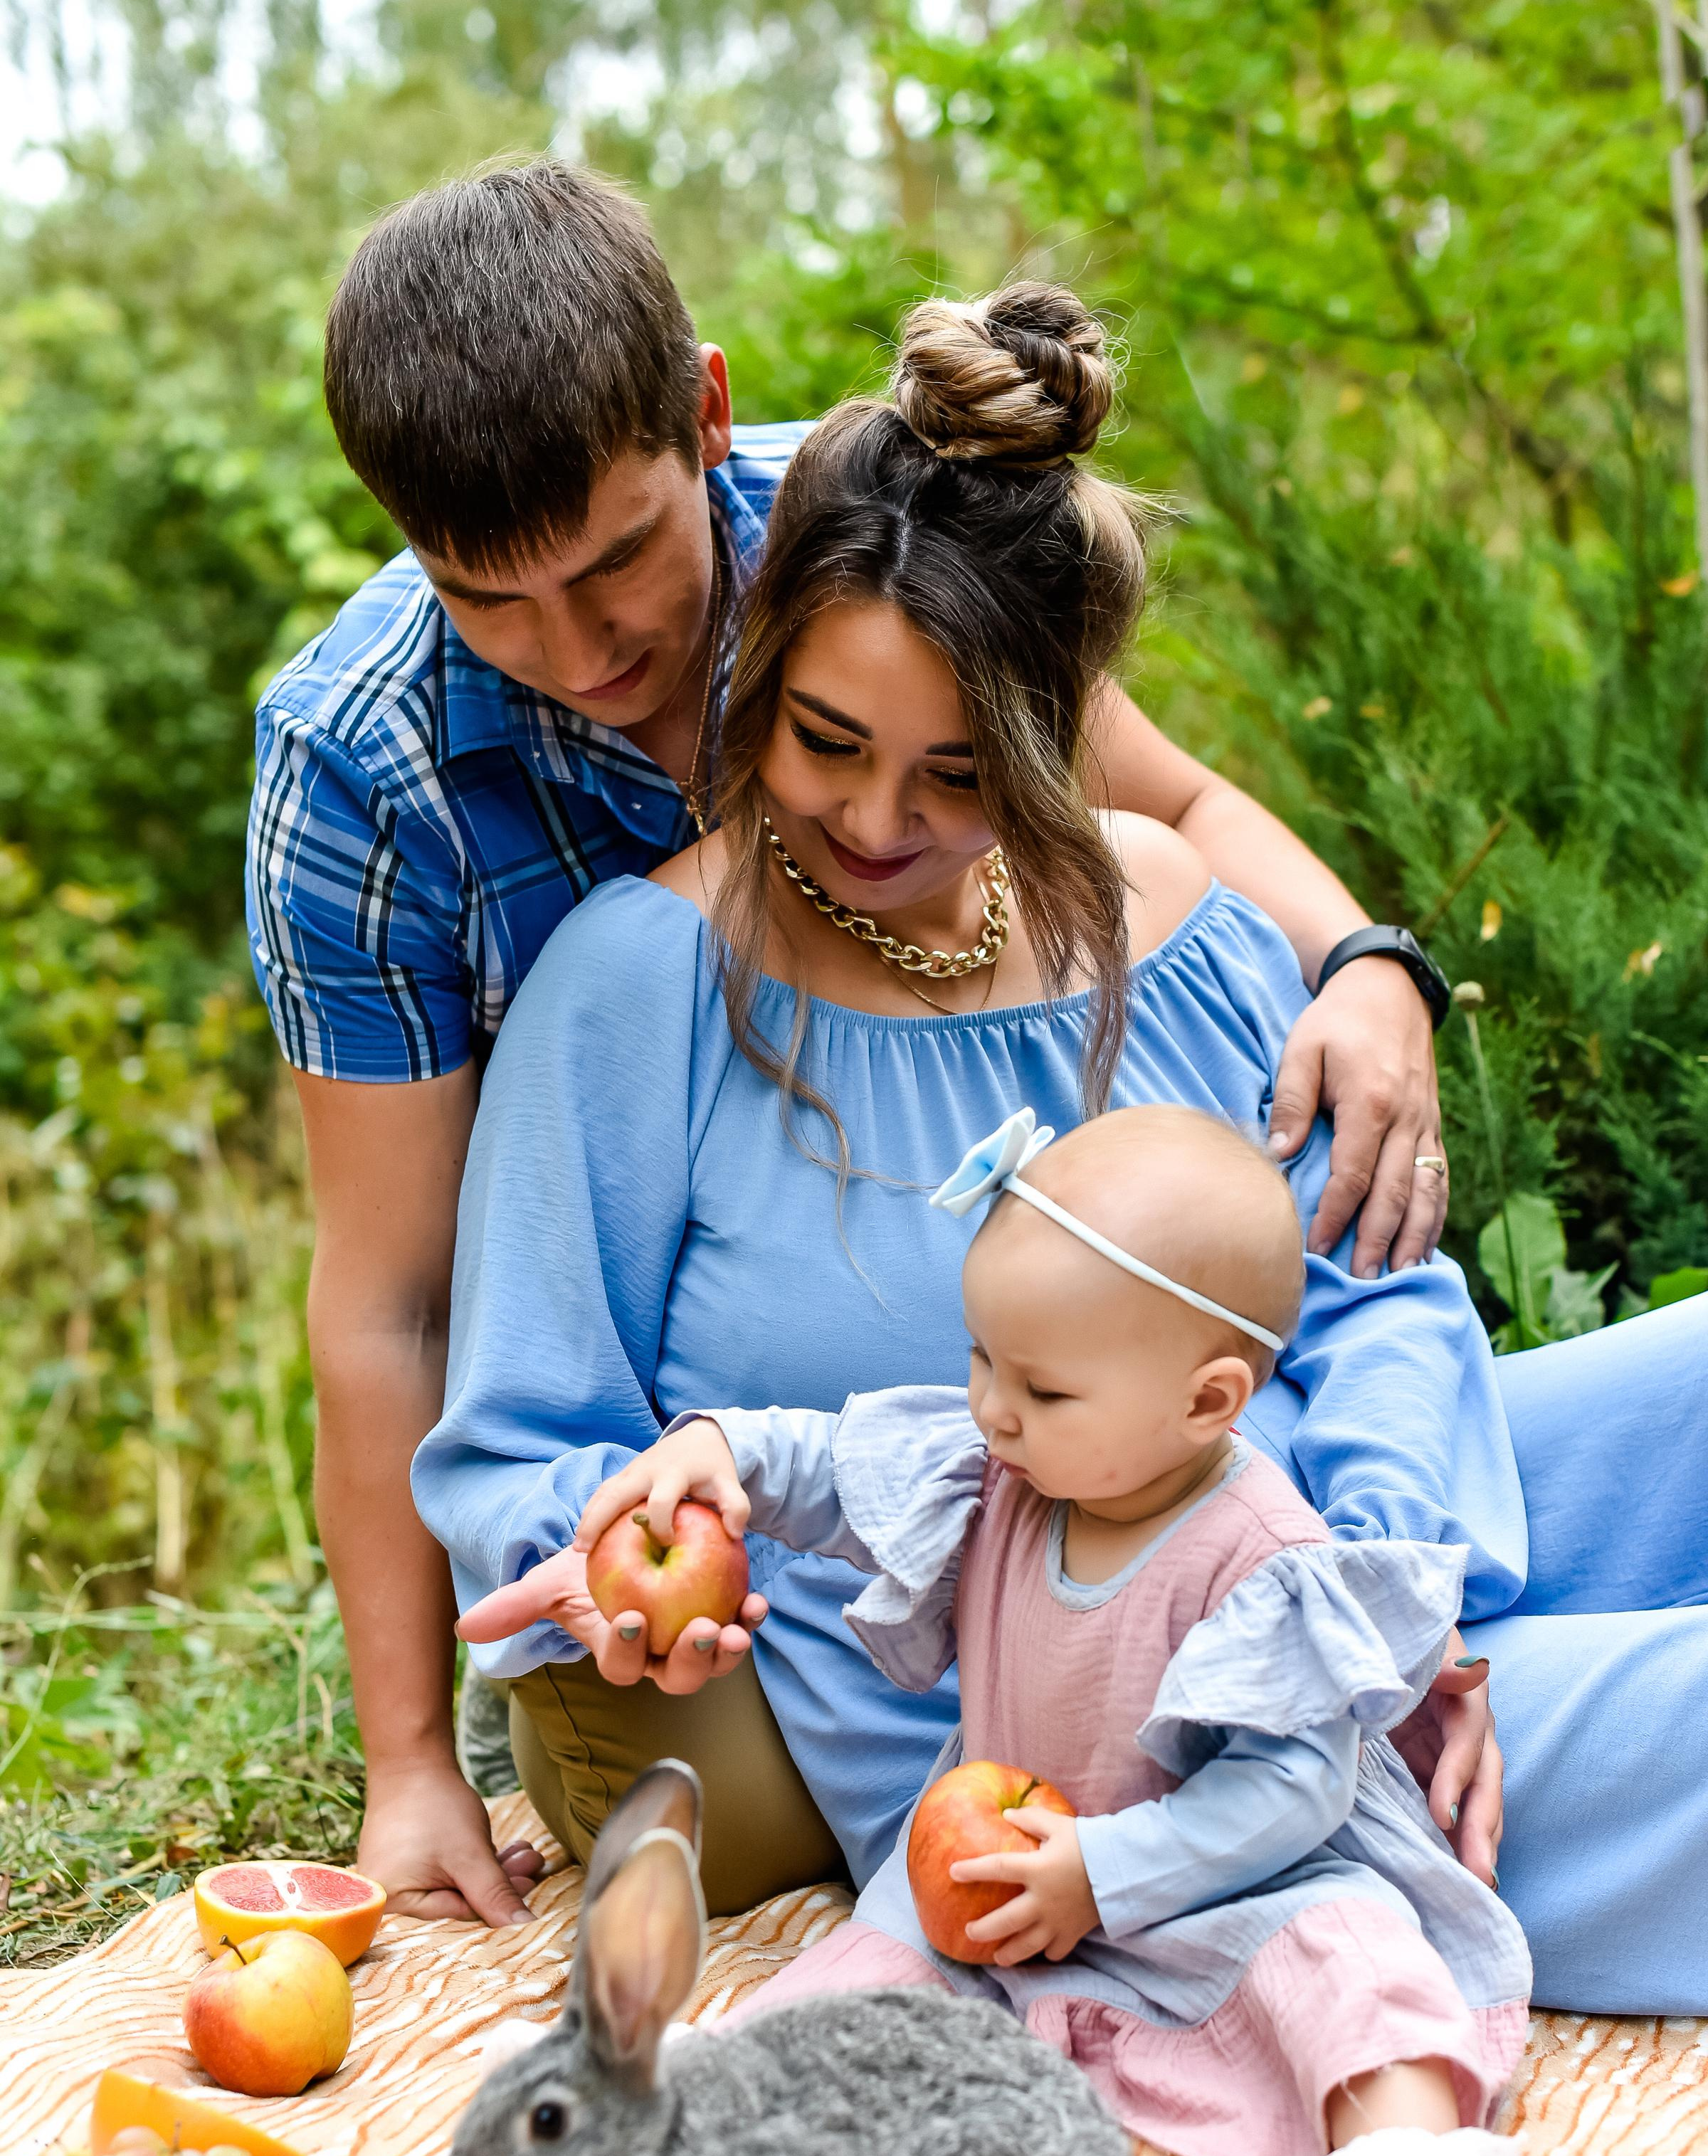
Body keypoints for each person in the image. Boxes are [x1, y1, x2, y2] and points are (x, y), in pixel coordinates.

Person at [423, 278, 1708, 2016]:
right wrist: (612, 1561)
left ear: (1059, 733)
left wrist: (1410, 1603)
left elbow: (1364, 1308)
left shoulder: (1167, 917)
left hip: (1316, 1556)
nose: (880, 822)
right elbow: (521, 1446)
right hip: (1125, 1742)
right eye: (825, 741)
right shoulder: (639, 992)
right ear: (767, 663)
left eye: (961, 774)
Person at [247, 163, 1451, 1934]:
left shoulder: (863, 533)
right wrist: (411, 1759)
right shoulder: (365, 777)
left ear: (709, 416)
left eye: (614, 565)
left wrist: (1362, 963)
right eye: (487, 602)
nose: (579, 653)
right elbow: (390, 1302)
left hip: (1108, 1462)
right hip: (729, 1502)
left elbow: (1160, 794)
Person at [562, 1103, 1541, 2156]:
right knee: (866, 1965)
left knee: (1355, 1961)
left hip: (1224, 1884)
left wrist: (1110, 1867)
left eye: (1043, 1389)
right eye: (981, 1359)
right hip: (999, 1876)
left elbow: (1292, 1787)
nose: (992, 1408)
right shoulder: (1003, 1476)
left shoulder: (1259, 1554)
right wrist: (727, 1454)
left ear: (1208, 1400)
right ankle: (686, 2100)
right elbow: (833, 1466)